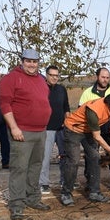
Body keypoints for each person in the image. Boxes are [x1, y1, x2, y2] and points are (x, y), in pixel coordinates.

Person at [0, 49, 52, 220]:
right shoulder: (11, 78)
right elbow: (5, 104)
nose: (31, 64)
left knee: (35, 166)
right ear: (22, 61)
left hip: (40, 131)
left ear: (38, 63)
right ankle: (16, 204)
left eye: (35, 61)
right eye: (28, 61)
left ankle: (33, 198)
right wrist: (14, 127)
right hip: (22, 131)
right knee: (19, 168)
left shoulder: (41, 80)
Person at [61, 91, 110, 206]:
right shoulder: (94, 110)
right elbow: (97, 137)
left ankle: (94, 192)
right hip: (73, 130)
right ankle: (66, 193)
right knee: (74, 160)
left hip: (87, 130)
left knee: (95, 157)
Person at [78, 67, 110, 189]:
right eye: (103, 77)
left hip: (109, 126)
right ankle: (90, 180)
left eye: (107, 77)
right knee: (91, 155)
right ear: (97, 76)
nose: (105, 80)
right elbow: (81, 110)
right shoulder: (87, 93)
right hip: (92, 127)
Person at [39, 65, 70, 194]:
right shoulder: (41, 89)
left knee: (65, 156)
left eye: (57, 75)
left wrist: (67, 123)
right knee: (45, 157)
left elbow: (66, 107)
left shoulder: (61, 89)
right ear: (46, 75)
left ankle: (65, 181)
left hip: (62, 129)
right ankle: (43, 183)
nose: (54, 78)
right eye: (52, 75)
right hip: (47, 129)